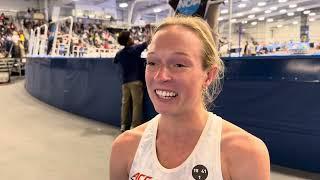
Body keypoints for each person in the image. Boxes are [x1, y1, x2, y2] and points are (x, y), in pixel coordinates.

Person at [110, 16, 270, 180]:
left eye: (179, 64)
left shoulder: (245, 154)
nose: (161, 76)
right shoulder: (126, 147)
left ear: (208, 75)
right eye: (152, 62)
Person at [113, 30, 150, 132]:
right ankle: (135, 126)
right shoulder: (135, 49)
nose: (132, 38)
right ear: (128, 40)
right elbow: (147, 42)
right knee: (136, 105)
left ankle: (124, 125)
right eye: (130, 37)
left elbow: (115, 60)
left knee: (125, 104)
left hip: (125, 83)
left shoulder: (120, 54)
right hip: (136, 82)